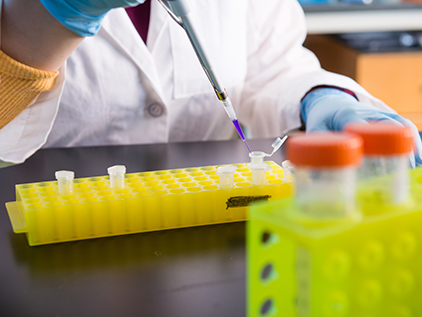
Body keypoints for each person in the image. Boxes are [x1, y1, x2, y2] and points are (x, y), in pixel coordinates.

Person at [1, 0, 421, 166]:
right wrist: (45, 20)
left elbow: (270, 69)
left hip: (211, 232)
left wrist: (322, 97)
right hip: (43, 242)